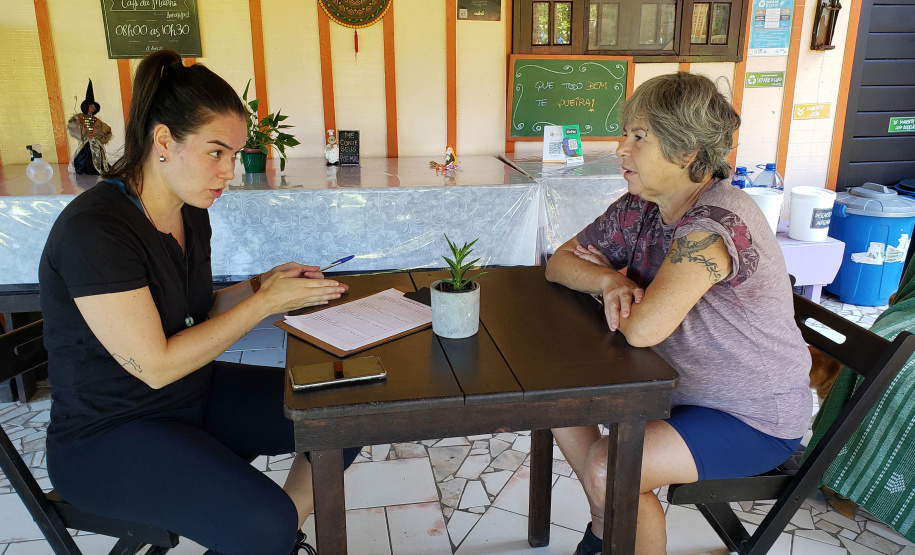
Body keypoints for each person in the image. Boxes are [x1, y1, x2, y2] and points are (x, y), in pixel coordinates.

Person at [40, 50, 358, 555]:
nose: (229, 171)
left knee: (343, 411)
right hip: (107, 437)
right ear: (164, 141)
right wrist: (261, 306)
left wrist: (261, 285)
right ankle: (272, 535)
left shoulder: (189, 212)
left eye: (235, 154)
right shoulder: (95, 230)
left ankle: (274, 535)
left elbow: (195, 311)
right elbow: (156, 365)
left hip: (191, 395)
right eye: (217, 152)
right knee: (262, 522)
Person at [544, 72, 812, 554]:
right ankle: (610, 527)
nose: (621, 148)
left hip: (750, 415)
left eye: (639, 137)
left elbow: (644, 329)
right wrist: (610, 279)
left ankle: (608, 531)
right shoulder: (641, 208)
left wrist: (617, 288)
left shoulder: (714, 222)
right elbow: (559, 262)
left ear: (687, 150)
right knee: (555, 404)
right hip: (674, 392)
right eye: (626, 133)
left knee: (612, 467)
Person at [68, 79, 112, 175]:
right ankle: (84, 169)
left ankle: (98, 168)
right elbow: (73, 125)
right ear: (86, 106)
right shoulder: (79, 118)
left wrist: (101, 136)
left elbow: (106, 130)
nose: (93, 108)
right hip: (85, 142)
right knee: (84, 154)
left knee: (98, 154)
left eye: (94, 106)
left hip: (95, 142)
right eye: (91, 105)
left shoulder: (97, 121)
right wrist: (83, 135)